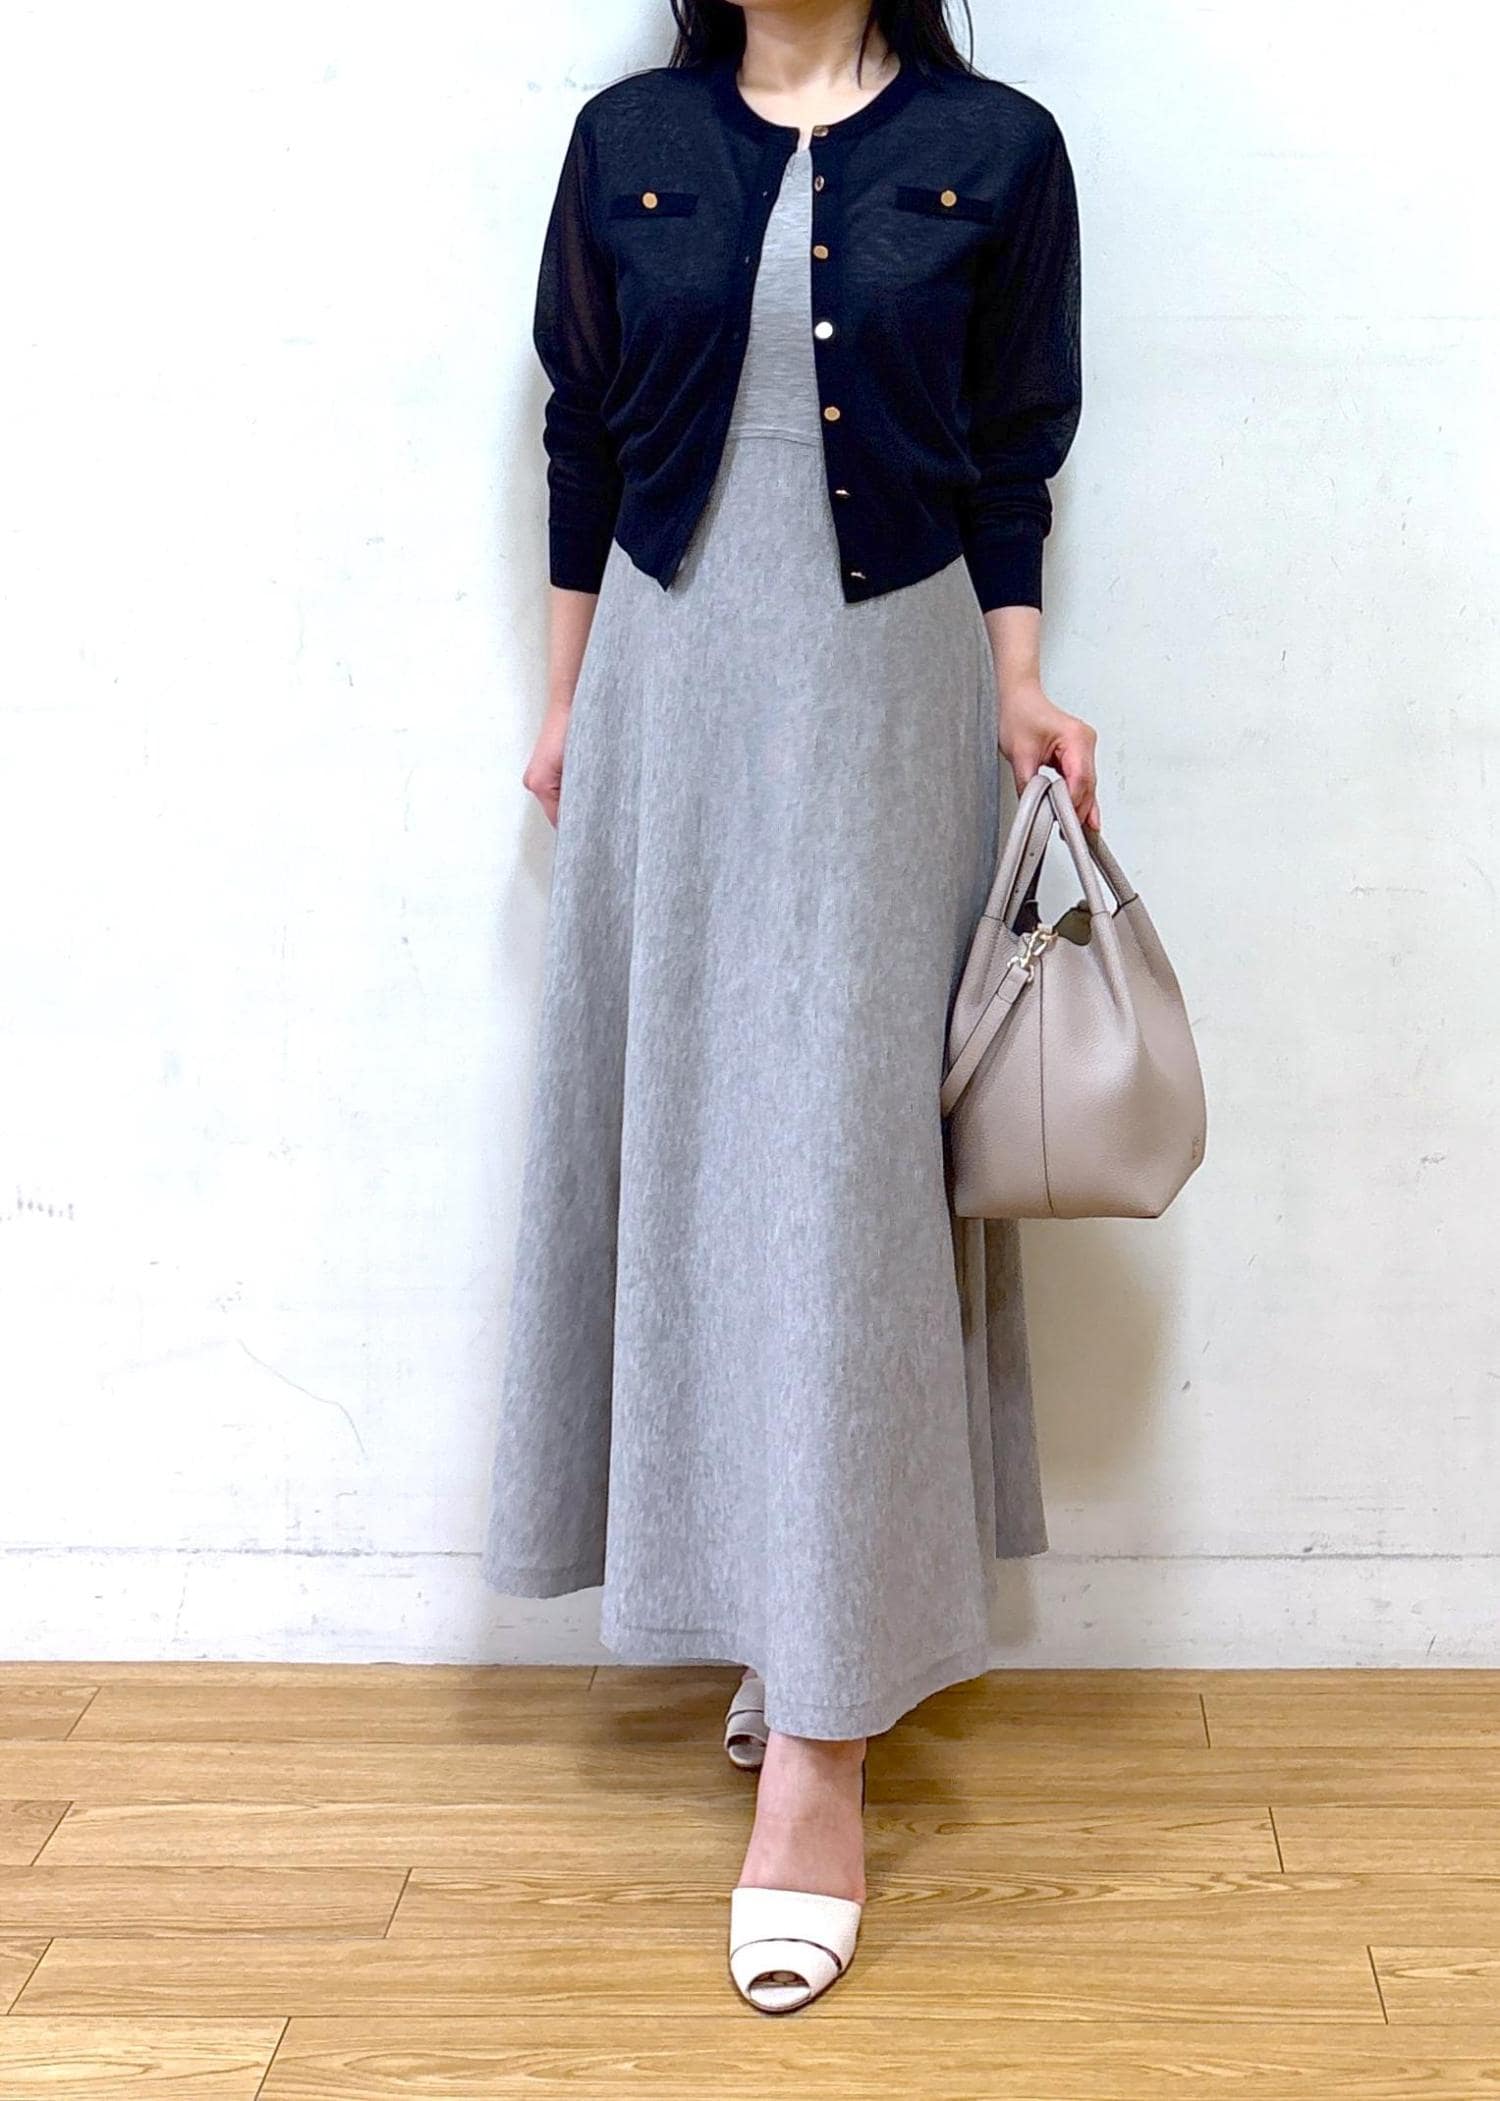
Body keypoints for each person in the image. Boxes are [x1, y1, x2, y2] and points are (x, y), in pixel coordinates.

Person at [483, 0, 1093, 2013]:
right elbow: (582, 432)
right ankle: (779, 1614)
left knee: (837, 1179)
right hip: (669, 684)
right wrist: (568, 705)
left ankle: (823, 1753)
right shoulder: (628, 138)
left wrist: (1020, 682)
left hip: (886, 689)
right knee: (696, 1158)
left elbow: (1013, 447)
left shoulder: (998, 151)